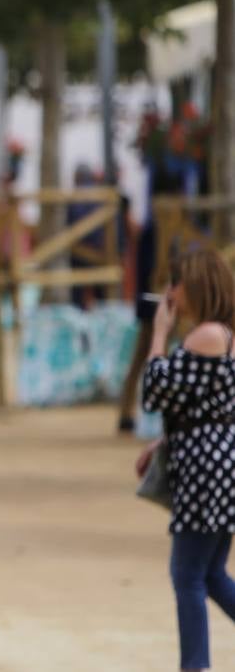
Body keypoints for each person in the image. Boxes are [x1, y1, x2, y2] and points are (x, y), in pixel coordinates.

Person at [138, 249, 235, 672]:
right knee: (209, 571)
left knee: (188, 574)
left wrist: (159, 333)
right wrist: (162, 442)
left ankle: (194, 667)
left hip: (206, 467)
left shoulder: (209, 335)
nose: (170, 293)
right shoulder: (220, 335)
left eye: (175, 283)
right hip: (215, 459)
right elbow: (198, 403)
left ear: (195, 285)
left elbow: (154, 390)